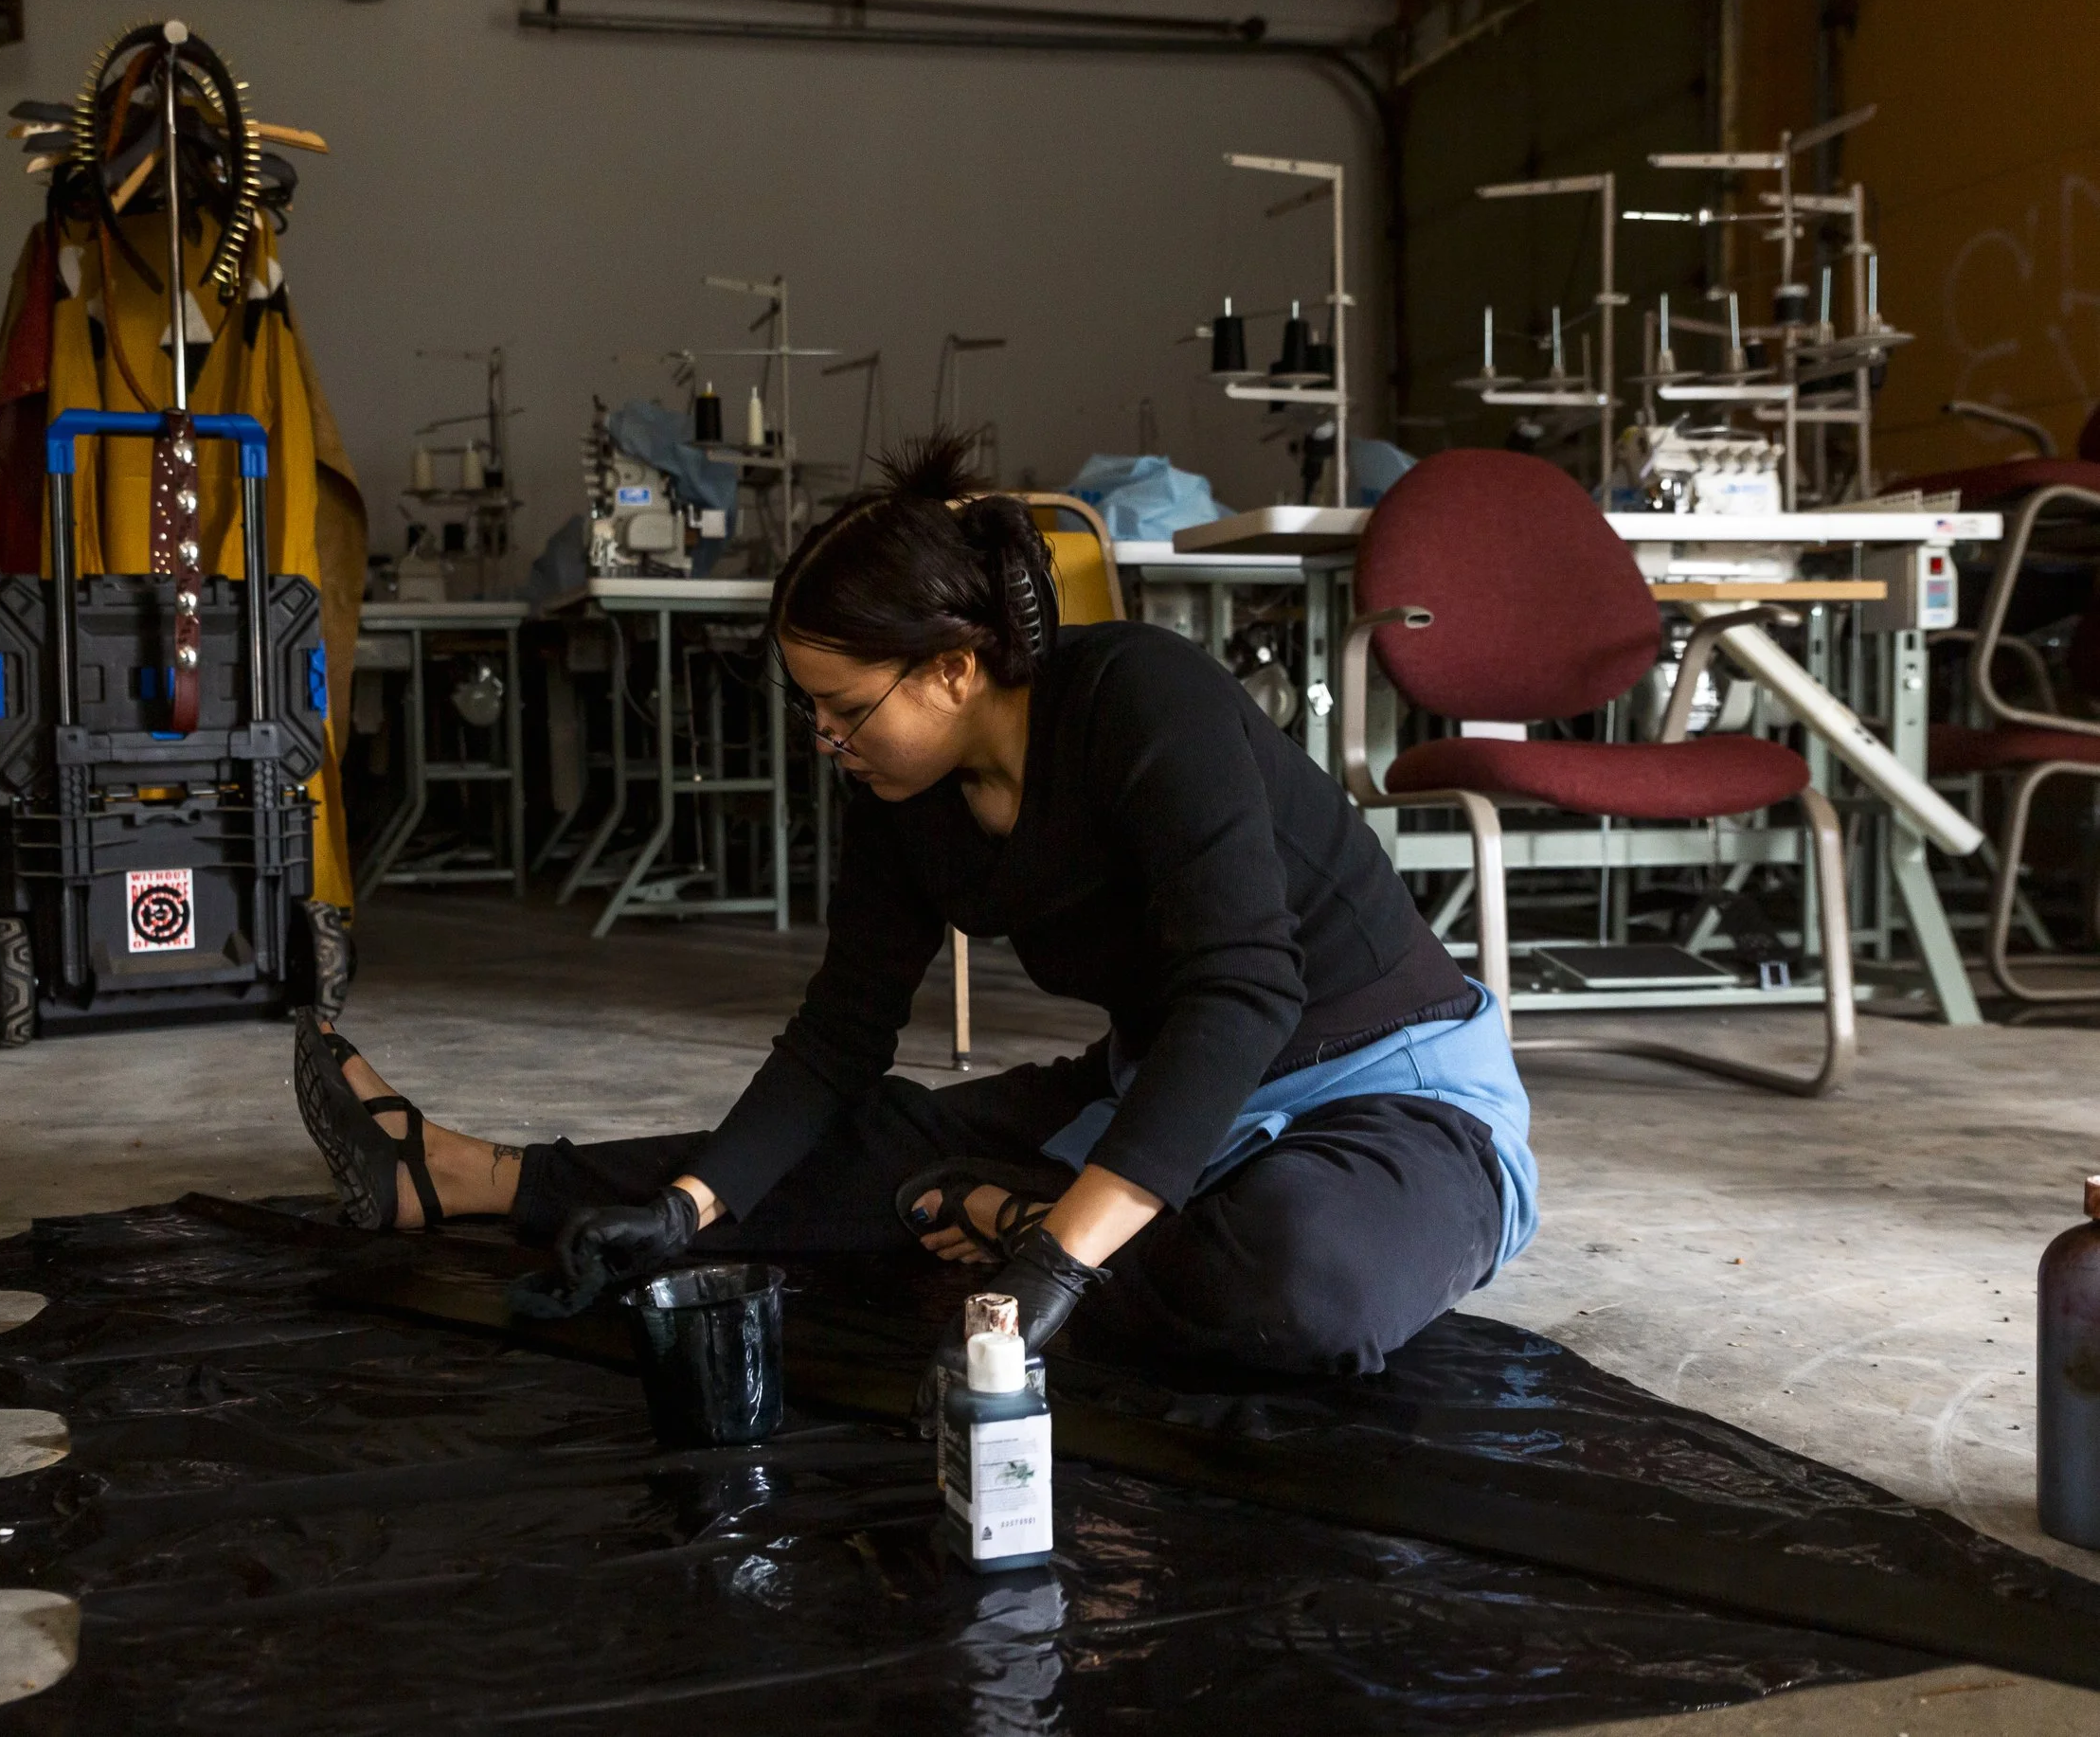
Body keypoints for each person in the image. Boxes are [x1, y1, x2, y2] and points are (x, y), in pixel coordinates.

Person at [296, 437, 1536, 1383]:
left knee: (1301, 1286)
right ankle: (465, 1176)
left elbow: (1245, 990)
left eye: (844, 707)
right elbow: (840, 1035)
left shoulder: (1143, 699)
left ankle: (1026, 1213)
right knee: (867, 1151)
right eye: (810, 714)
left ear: (953, 668)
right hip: (1161, 1090)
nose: (826, 741)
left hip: (1385, 1085)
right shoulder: (903, 784)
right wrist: (687, 1212)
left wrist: (1046, 1253)